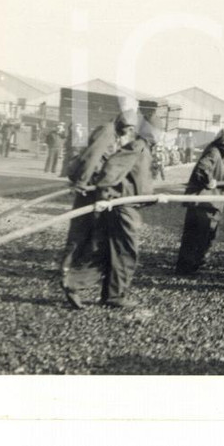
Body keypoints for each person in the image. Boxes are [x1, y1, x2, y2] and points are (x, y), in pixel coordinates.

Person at [61, 110, 150, 309]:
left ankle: (76, 282)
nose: (129, 131)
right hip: (91, 191)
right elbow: (92, 157)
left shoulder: (115, 134)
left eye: (132, 128)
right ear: (121, 121)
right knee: (81, 237)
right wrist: (82, 183)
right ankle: (68, 278)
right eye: (128, 126)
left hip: (98, 190)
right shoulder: (107, 131)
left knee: (96, 240)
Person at [175, 129, 224, 276]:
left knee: (199, 236)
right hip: (204, 203)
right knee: (198, 236)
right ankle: (188, 267)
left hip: (202, 202)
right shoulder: (213, 152)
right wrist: (208, 180)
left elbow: (216, 173)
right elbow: (203, 169)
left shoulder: (215, 152)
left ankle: (190, 265)